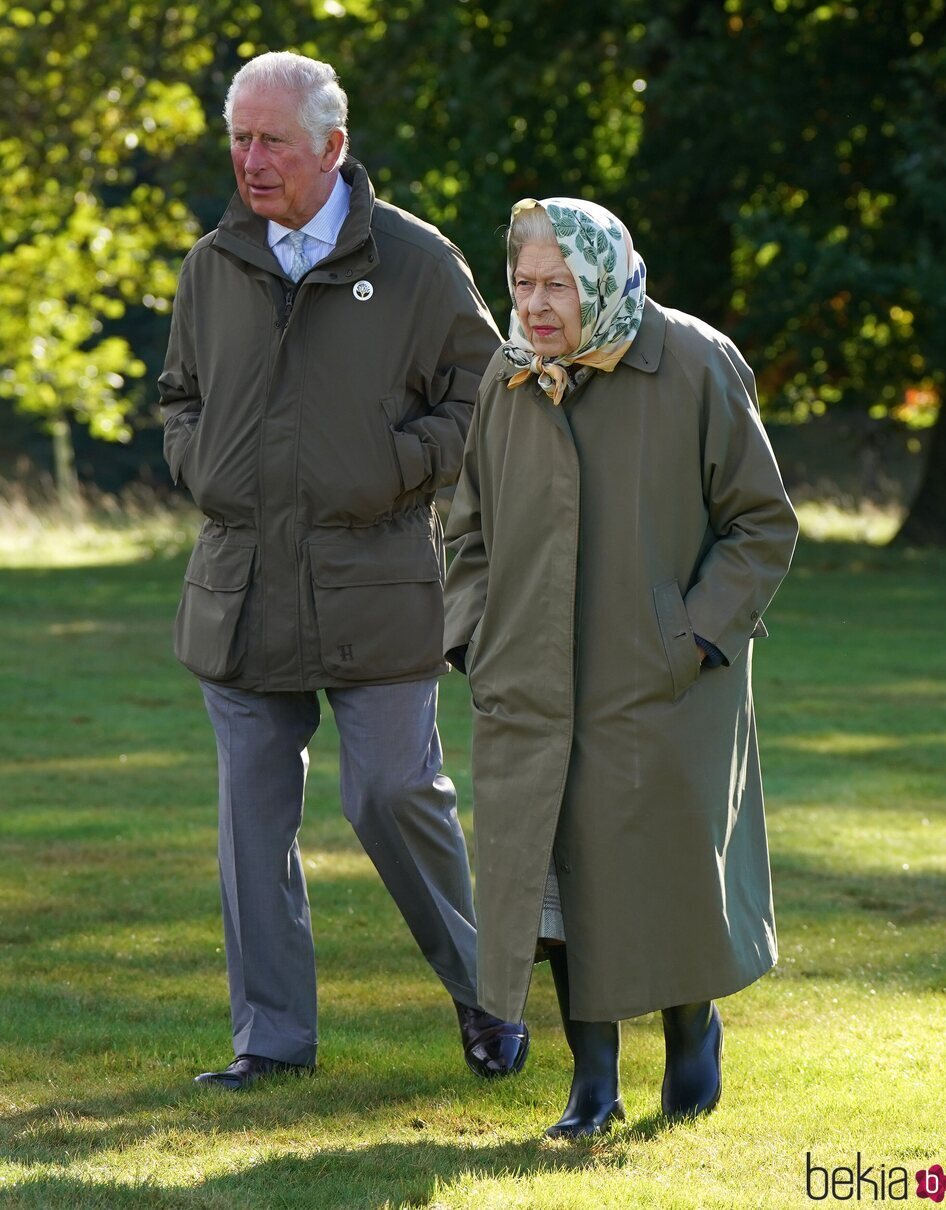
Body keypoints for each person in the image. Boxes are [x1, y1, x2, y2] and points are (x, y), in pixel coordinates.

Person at [158, 51, 529, 1091]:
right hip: (238, 588)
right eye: (238, 136)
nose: (249, 158)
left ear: (331, 146)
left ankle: (488, 992)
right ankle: (270, 1041)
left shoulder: (415, 262)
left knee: (393, 791)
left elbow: (482, 395)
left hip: (375, 579)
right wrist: (199, 462)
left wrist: (393, 469)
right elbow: (177, 394)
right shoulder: (212, 262)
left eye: (270, 138)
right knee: (250, 824)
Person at [443, 197, 798, 1137]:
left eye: (558, 282)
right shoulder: (507, 375)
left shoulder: (693, 360)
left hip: (662, 681)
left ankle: (692, 1041)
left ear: (602, 272)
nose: (537, 304)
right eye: (523, 283)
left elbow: (762, 524)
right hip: (528, 679)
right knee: (552, 881)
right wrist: (474, 634)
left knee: (669, 870)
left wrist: (690, 638)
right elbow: (466, 527)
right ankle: (590, 1086)